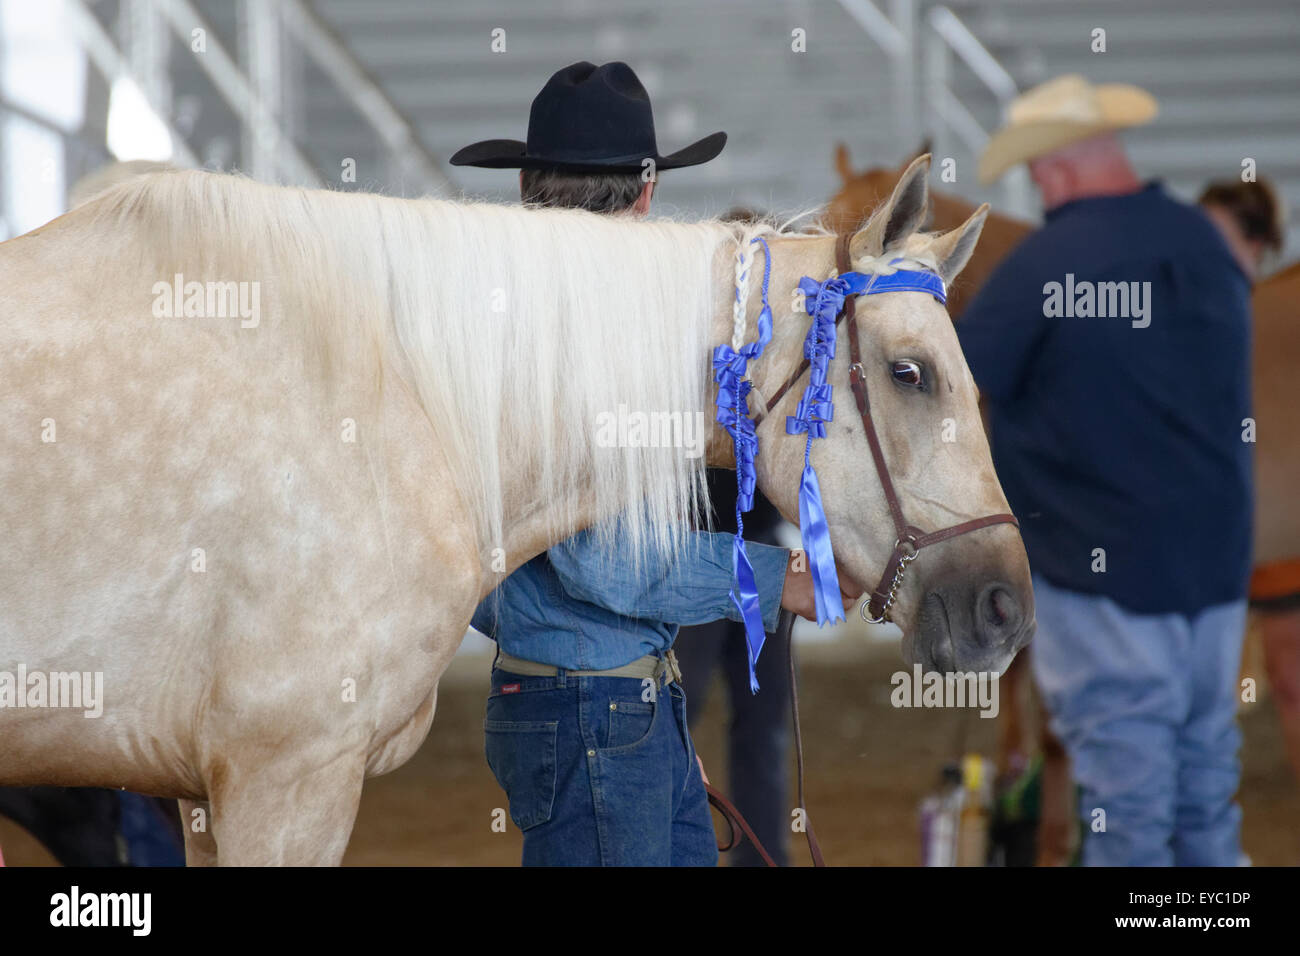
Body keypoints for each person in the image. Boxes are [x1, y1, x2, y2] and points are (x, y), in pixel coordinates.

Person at [452, 61, 851, 866]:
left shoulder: (508, 328)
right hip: (596, 707)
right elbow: (606, 565)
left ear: (527, 181)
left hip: (607, 701)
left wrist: (641, 707)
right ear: (645, 193)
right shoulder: (565, 340)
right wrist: (780, 581)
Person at [962, 74, 1254, 866]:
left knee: (1125, 812)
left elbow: (952, 385)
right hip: (1214, 578)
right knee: (1205, 795)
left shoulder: (1042, 264)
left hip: (1102, 579)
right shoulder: (1207, 245)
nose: (1040, 185)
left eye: (1040, 170)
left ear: (1057, 167)